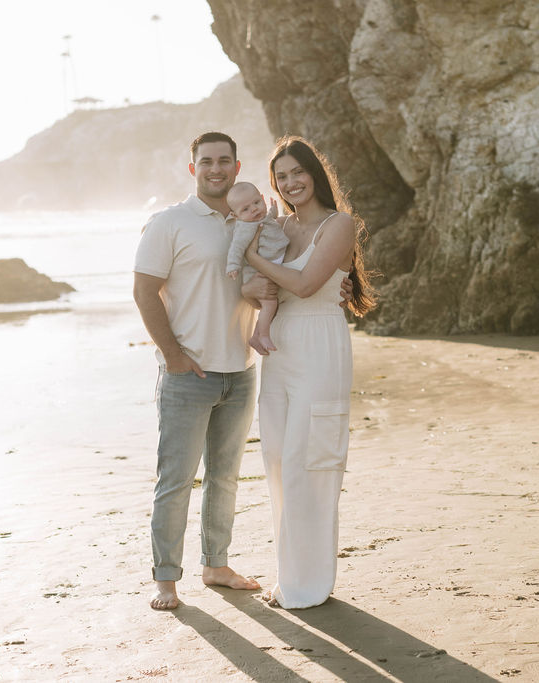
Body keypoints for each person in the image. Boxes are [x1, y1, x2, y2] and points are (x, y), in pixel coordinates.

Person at [242, 135, 378, 609]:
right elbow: (256, 290)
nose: (290, 182)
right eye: (281, 177)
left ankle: (309, 585)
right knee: (278, 464)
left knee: (311, 464)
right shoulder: (277, 226)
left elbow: (302, 283)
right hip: (278, 352)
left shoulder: (339, 224)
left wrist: (251, 256)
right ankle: (290, 578)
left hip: (320, 347)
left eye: (297, 172)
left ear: (315, 174)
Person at [132, 132, 265, 610]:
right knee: (176, 480)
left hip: (242, 370)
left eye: (224, 161)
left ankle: (216, 565)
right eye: (206, 161)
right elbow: (145, 291)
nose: (216, 169)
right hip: (189, 374)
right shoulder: (170, 222)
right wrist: (172, 355)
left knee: (225, 478)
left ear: (236, 166)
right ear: (193, 169)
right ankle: (165, 578)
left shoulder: (250, 220)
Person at [225, 181, 289, 355]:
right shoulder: (245, 228)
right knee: (270, 302)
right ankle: (264, 335)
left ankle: (255, 336)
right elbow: (236, 247)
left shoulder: (261, 218)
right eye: (245, 209)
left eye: (256, 203)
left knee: (272, 303)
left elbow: (269, 221)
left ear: (262, 198)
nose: (253, 209)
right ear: (235, 215)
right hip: (259, 273)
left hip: (271, 265)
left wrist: (273, 213)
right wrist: (233, 265)